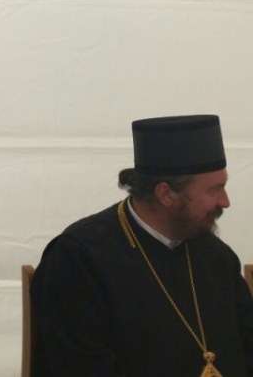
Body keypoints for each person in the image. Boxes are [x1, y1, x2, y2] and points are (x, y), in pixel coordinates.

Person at [31, 114, 253, 376]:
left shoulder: (215, 256)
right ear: (165, 194)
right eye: (214, 190)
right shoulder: (79, 258)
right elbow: (80, 367)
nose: (225, 201)